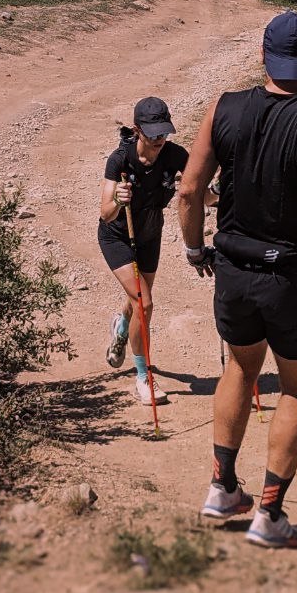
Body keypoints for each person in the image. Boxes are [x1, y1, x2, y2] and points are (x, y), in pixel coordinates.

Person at [178, 10, 297, 549]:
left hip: (232, 271)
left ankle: (221, 488)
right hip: (289, 277)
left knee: (241, 369)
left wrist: (196, 249)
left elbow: (190, 190)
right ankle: (269, 515)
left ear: (263, 56)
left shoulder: (224, 107)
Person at [99, 96, 190, 406]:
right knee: (145, 303)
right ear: (137, 130)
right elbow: (106, 213)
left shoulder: (176, 156)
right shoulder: (119, 160)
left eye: (163, 132)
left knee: (137, 302)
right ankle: (143, 378)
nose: (159, 140)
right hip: (118, 237)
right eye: (152, 134)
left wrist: (218, 190)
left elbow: (200, 194)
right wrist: (119, 200)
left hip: (150, 234)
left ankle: (121, 325)